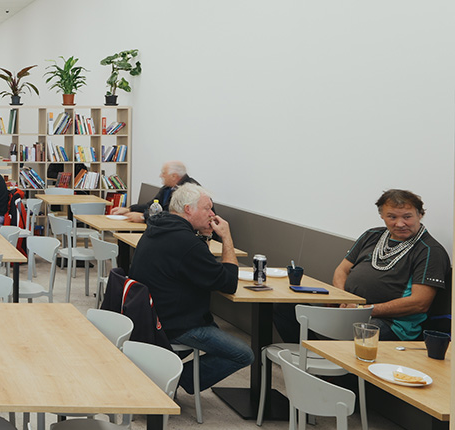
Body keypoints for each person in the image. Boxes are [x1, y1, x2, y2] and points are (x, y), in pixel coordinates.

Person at [277, 189, 450, 343]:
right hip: (349, 306)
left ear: (420, 214)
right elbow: (341, 270)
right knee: (285, 308)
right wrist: (343, 299)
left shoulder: (430, 251)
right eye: (392, 217)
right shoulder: (372, 235)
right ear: (382, 216)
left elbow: (419, 303)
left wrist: (364, 310)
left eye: (407, 216)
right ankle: (310, 360)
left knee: (360, 333)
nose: (400, 223)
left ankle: (332, 374)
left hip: (391, 322)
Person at [127, 183, 253, 394]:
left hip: (150, 315)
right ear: (188, 209)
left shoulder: (159, 227)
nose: (212, 214)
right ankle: (174, 380)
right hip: (177, 325)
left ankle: (163, 374)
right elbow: (229, 283)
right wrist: (227, 237)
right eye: (207, 208)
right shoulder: (185, 242)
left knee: (217, 334)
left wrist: (203, 235)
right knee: (243, 354)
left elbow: (196, 266)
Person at [110, 161, 198, 223]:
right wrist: (129, 209)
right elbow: (151, 205)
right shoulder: (168, 188)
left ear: (174, 176)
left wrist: (143, 217)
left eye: (163, 173)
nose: (161, 175)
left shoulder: (189, 190)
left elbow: (174, 215)